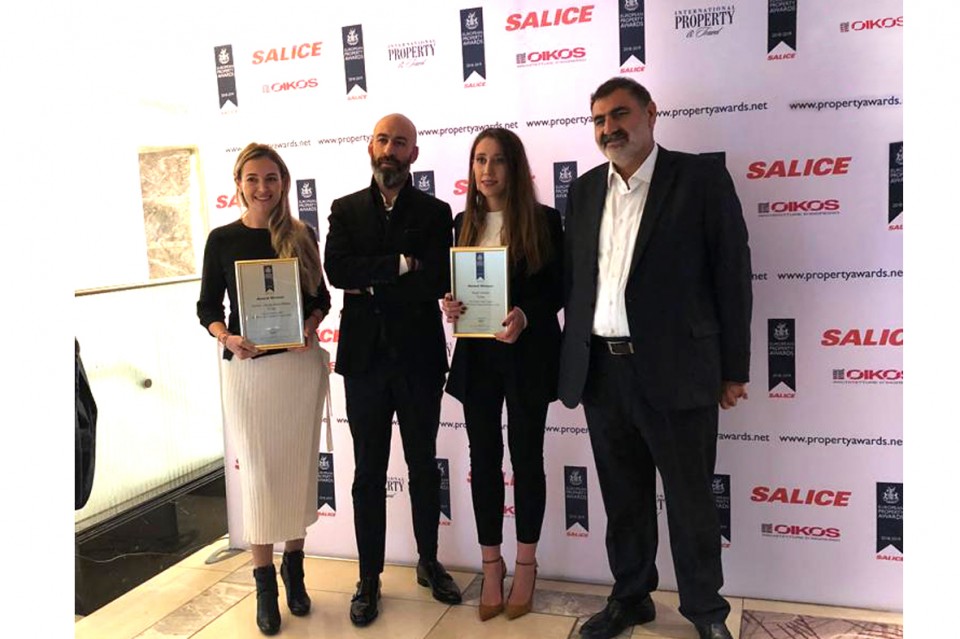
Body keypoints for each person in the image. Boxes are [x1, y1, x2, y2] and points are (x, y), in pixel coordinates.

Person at [558, 77, 752, 639]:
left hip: (679, 371)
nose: (608, 129)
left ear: (651, 113)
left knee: (691, 500)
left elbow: (732, 276)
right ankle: (631, 596)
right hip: (602, 371)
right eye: (598, 120)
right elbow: (577, 281)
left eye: (619, 114)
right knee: (623, 499)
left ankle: (706, 612)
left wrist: (734, 369)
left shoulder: (700, 180)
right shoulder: (585, 191)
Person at [324, 113, 462, 627]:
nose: (390, 149)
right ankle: (369, 577)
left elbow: (436, 281)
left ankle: (429, 561)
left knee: (423, 465)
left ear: (413, 154)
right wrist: (402, 265)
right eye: (382, 140)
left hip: (419, 360)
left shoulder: (436, 212)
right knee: (367, 473)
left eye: (400, 143)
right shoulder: (344, 209)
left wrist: (373, 279)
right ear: (370, 147)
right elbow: (337, 270)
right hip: (364, 363)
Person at [197, 143, 331, 636]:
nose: (262, 187)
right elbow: (207, 306)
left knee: (296, 473)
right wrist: (227, 336)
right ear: (239, 184)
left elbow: (321, 298)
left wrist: (309, 325)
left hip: (296, 369)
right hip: (249, 372)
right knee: (259, 478)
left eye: (271, 178)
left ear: (283, 183)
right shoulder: (222, 239)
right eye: (252, 178)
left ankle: (294, 573)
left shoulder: (300, 235)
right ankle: (264, 586)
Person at [441, 128, 563, 621]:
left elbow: (559, 288)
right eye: (479, 160)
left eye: (497, 161)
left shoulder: (544, 220)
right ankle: (491, 565)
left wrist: (526, 315)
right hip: (478, 358)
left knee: (527, 459)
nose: (487, 171)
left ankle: (526, 565)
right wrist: (451, 304)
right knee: (484, 459)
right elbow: (461, 288)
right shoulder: (461, 223)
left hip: (528, 355)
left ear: (514, 167)